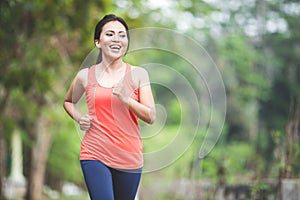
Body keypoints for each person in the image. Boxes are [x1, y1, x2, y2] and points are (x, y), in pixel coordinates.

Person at [63, 14, 156, 200]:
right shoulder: (84, 76)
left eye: (122, 35)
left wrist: (127, 99)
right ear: (98, 42)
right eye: (110, 34)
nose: (117, 39)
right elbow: (68, 102)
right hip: (94, 152)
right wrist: (79, 117)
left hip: (129, 156)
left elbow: (151, 116)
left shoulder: (138, 74)